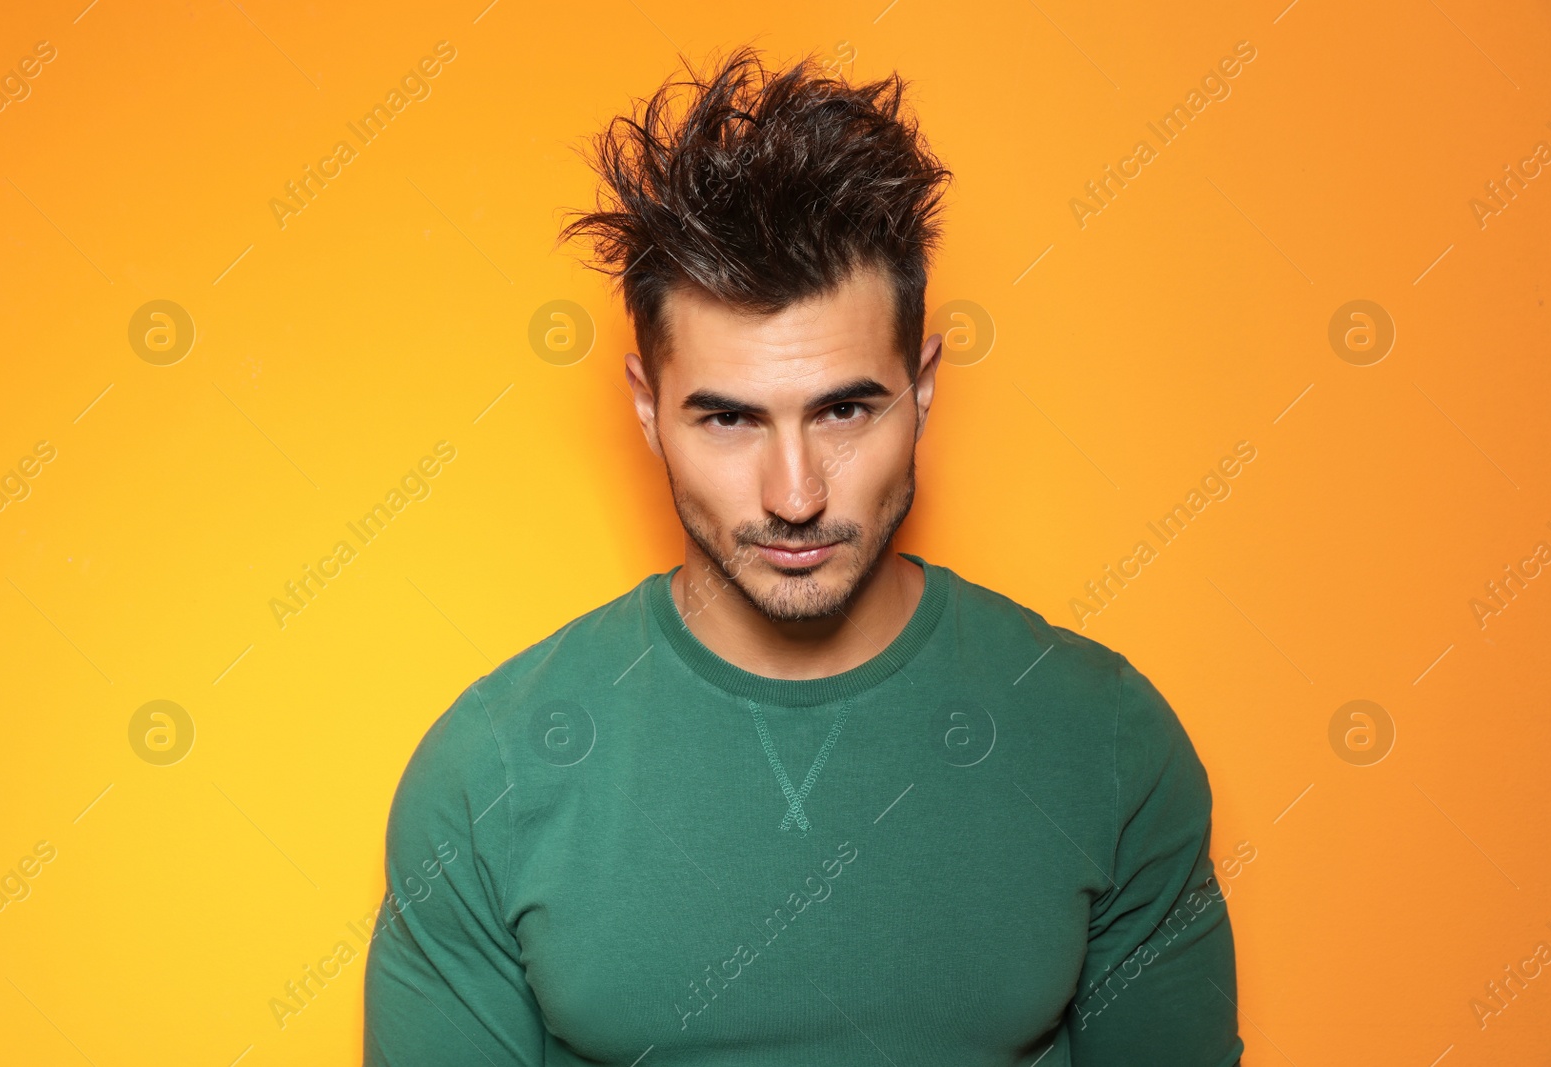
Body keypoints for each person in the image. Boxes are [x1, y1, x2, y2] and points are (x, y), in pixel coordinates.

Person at [362, 45, 1243, 1067]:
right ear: (648, 408)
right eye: (729, 418)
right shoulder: (489, 773)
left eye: (844, 408)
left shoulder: (1106, 743)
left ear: (920, 386)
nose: (795, 496)